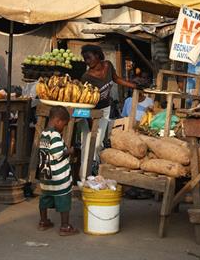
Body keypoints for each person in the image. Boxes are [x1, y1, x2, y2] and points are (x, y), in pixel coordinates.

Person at [79, 45, 138, 175]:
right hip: (90, 113)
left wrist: (134, 85)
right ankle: (84, 175)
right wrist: (90, 122)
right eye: (85, 59)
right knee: (87, 143)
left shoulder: (108, 65)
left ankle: (94, 171)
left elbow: (116, 79)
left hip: (105, 109)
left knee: (98, 143)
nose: (87, 62)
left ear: (98, 56)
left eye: (89, 58)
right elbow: (84, 101)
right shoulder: (86, 77)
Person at [37, 106, 78, 236]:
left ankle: (43, 221)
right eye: (64, 124)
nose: (63, 128)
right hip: (58, 176)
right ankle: (65, 226)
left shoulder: (44, 133)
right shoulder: (54, 135)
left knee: (45, 198)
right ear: (58, 121)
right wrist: (69, 151)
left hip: (45, 175)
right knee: (63, 199)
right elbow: (58, 153)